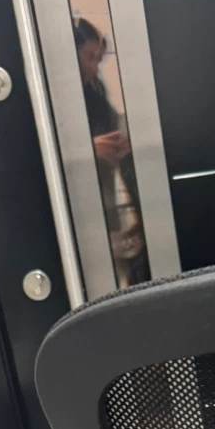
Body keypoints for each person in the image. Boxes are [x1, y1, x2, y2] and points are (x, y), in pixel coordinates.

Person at [73, 17, 149, 285]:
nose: (95, 67)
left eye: (99, 59)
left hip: (104, 202)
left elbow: (115, 125)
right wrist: (86, 150)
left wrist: (125, 141)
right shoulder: (54, 99)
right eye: (89, 57)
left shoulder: (94, 92)